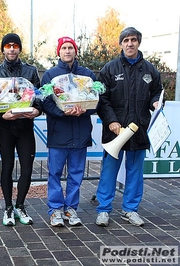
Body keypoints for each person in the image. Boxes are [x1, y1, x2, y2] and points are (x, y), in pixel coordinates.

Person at [95, 27, 162, 227]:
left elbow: (156, 92)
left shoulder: (150, 70)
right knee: (109, 171)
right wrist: (112, 121)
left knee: (135, 172)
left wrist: (156, 102)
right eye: (126, 40)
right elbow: (102, 98)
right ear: (121, 43)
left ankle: (130, 210)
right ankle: (103, 210)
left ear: (138, 43)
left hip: (139, 130)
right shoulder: (110, 69)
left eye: (133, 40)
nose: (130, 43)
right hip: (114, 131)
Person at [41, 36, 97, 227]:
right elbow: (46, 103)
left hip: (81, 133)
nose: (67, 51)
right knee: (55, 173)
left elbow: (96, 100)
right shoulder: (50, 75)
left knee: (76, 173)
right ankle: (55, 209)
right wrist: (63, 112)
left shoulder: (87, 75)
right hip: (59, 133)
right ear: (59, 51)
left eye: (70, 47)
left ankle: (71, 209)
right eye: (64, 48)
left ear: (75, 51)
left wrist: (85, 110)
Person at [0, 33, 42, 226]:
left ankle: (20, 206)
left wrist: (37, 110)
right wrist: (1, 116)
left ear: (19, 49)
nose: (11, 49)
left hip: (26, 127)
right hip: (6, 128)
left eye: (15, 46)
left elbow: (39, 97)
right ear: (3, 49)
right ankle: (8, 208)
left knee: (27, 168)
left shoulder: (31, 71)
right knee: (7, 168)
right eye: (8, 46)